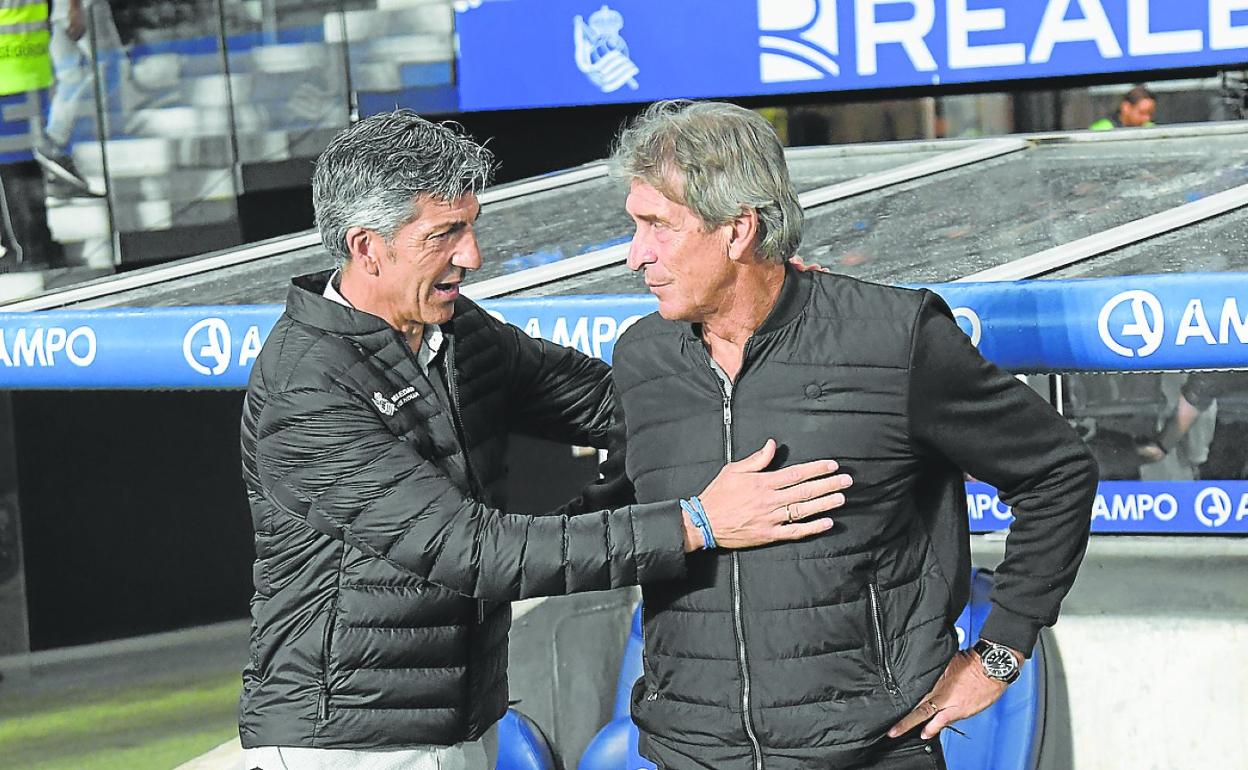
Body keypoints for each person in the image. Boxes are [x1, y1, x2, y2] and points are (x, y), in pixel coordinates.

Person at [238, 109, 853, 769]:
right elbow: (475, 551)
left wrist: (748, 309)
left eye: (471, 227)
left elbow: (623, 404)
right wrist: (695, 524)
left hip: (465, 724)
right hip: (341, 747)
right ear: (367, 247)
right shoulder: (306, 390)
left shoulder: (457, 332)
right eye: (445, 234)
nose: (470, 255)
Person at [607, 100, 1099, 770]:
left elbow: (1057, 471)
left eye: (657, 227)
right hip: (686, 754)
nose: (636, 256)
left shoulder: (895, 338)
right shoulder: (641, 358)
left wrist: (1000, 654)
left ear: (737, 231)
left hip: (871, 753)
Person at [0, 0, 65, 269]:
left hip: (8, 76)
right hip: (31, 71)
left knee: (13, 169)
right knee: (23, 166)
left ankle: (27, 249)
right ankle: (39, 245)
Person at [35, 0, 115, 197]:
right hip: (79, 8)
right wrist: (75, 6)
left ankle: (55, 144)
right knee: (112, 70)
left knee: (72, 77)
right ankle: (55, 140)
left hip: (56, 12)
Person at [1090, 84, 1156, 130]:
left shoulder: (1150, 128)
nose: (1147, 118)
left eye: (1150, 114)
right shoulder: (1101, 130)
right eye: (1142, 113)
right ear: (1126, 107)